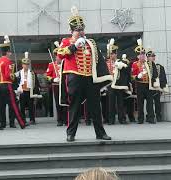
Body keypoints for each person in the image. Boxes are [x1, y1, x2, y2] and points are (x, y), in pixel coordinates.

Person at [57, 6, 112, 142]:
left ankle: (100, 133)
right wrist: (74, 46)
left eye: (82, 29)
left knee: (95, 107)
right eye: (77, 30)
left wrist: (102, 79)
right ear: (71, 31)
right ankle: (71, 134)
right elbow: (60, 54)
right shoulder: (66, 41)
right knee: (74, 106)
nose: (80, 32)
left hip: (90, 78)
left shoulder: (91, 43)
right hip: (75, 77)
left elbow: (99, 60)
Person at [0, 35, 26, 130]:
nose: (10, 53)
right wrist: (15, 76)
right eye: (9, 51)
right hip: (7, 84)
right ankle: (22, 123)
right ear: (7, 52)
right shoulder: (7, 61)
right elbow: (8, 75)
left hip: (0, 85)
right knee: (14, 104)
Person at [131, 39, 159, 124]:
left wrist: (155, 84)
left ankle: (150, 118)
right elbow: (132, 76)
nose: (142, 56)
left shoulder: (149, 63)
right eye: (140, 55)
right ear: (138, 56)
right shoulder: (135, 64)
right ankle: (140, 119)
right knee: (140, 103)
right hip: (140, 85)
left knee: (150, 102)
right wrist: (137, 77)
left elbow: (154, 73)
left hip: (148, 85)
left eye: (143, 54)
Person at [106, 39, 131, 125]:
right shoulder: (106, 63)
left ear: (116, 54)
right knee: (111, 103)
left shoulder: (120, 62)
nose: (112, 55)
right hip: (110, 84)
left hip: (119, 84)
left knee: (120, 102)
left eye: (113, 53)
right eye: (111, 53)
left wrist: (121, 66)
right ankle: (111, 120)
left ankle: (122, 119)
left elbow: (126, 71)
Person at [16, 52, 42, 125]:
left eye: (27, 64)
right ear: (22, 65)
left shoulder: (32, 73)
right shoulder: (18, 73)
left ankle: (32, 119)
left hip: (30, 91)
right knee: (22, 107)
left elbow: (36, 83)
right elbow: (16, 82)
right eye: (25, 64)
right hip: (22, 92)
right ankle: (23, 120)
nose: (26, 66)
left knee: (31, 106)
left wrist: (37, 91)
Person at [46, 41, 67, 126]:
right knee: (58, 103)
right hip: (56, 86)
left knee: (65, 102)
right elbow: (47, 76)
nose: (59, 58)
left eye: (60, 56)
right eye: (58, 56)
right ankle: (59, 120)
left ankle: (66, 119)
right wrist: (53, 79)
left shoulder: (65, 64)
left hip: (64, 85)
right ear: (55, 56)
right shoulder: (51, 65)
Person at [146, 49, 169, 122]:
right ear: (147, 57)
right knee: (148, 103)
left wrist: (163, 87)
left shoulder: (159, 67)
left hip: (157, 88)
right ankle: (148, 116)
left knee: (157, 102)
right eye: (151, 56)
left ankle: (158, 116)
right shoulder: (145, 66)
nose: (153, 57)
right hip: (148, 88)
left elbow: (163, 77)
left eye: (153, 56)